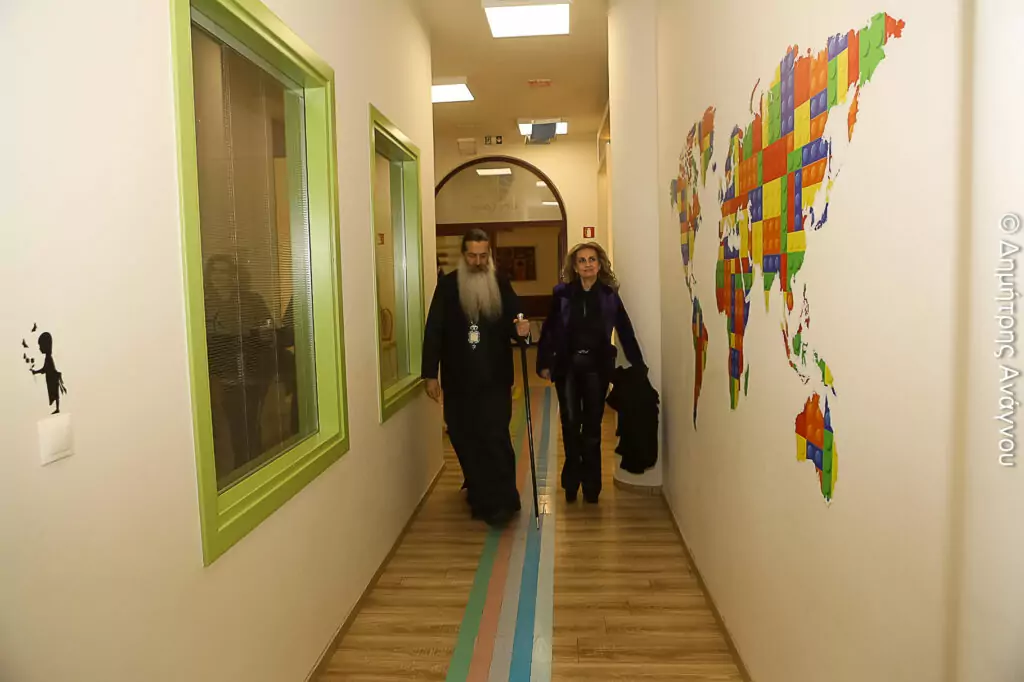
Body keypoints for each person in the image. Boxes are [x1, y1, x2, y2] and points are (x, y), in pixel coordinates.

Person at [422, 229, 532, 526]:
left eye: (483, 256)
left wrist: (522, 329)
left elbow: (516, 318)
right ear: (463, 255)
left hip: (495, 378)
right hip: (459, 380)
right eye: (472, 256)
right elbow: (434, 330)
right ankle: (479, 492)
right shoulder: (447, 287)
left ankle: (503, 500)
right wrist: (430, 374)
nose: (478, 261)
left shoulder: (500, 282)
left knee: (495, 437)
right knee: (463, 436)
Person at [536, 241, 645, 504]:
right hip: (567, 367)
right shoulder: (562, 294)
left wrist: (638, 364)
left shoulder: (609, 295)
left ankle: (592, 486)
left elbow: (625, 330)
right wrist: (544, 362)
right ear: (574, 267)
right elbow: (549, 329)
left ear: (600, 264)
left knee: (593, 428)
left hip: (597, 368)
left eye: (592, 259)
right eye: (582, 260)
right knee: (571, 424)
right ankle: (571, 481)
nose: (587, 265)